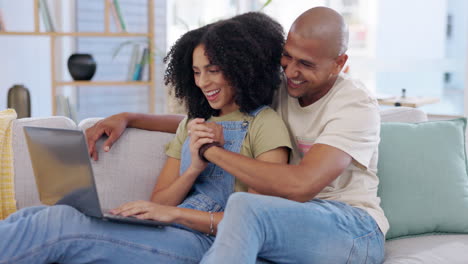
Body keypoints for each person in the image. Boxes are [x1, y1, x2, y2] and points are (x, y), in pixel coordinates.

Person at [87, 7, 388, 264]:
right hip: (288, 218)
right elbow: (212, 119)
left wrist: (210, 152)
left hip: (352, 228)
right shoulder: (286, 87)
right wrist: (130, 117)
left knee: (244, 207)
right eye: (288, 57)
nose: (291, 71)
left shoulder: (354, 105)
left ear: (340, 64)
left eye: (306, 64)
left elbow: (301, 185)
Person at [0, 13, 292, 264]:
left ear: (242, 68)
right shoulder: (194, 123)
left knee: (59, 224)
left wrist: (172, 215)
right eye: (196, 72)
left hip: (208, 245)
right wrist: (192, 170)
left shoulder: (265, 125)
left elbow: (253, 223)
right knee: (37, 214)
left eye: (213, 71)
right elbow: (160, 200)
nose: (203, 83)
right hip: (167, 231)